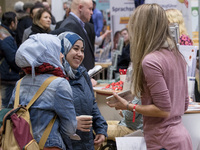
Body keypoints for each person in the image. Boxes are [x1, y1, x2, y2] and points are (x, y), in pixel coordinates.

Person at [107, 4, 192, 150]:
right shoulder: (177, 56)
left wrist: (128, 106)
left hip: (163, 142)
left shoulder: (151, 61)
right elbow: (183, 105)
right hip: (181, 139)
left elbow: (163, 110)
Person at [8, 33, 77, 150]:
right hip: (48, 145)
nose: (61, 55)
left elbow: (11, 113)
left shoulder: (19, 83)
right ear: (49, 55)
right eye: (57, 51)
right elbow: (70, 129)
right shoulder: (59, 84)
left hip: (19, 144)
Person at [58, 31, 107, 150]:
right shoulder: (55, 78)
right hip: (64, 144)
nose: (80, 54)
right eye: (75, 49)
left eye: (82, 50)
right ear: (63, 49)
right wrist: (72, 123)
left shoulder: (83, 74)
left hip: (87, 143)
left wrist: (101, 129)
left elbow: (92, 104)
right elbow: (46, 116)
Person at [51, 0, 94, 71]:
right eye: (90, 9)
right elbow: (68, 58)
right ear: (80, 7)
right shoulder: (70, 25)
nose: (92, 12)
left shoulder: (79, 24)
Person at [0, 11, 21, 108]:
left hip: (5, 75)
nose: (17, 24)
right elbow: (12, 58)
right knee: (7, 106)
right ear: (12, 23)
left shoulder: (3, 32)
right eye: (16, 22)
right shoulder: (7, 38)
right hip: (8, 76)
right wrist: (20, 69)